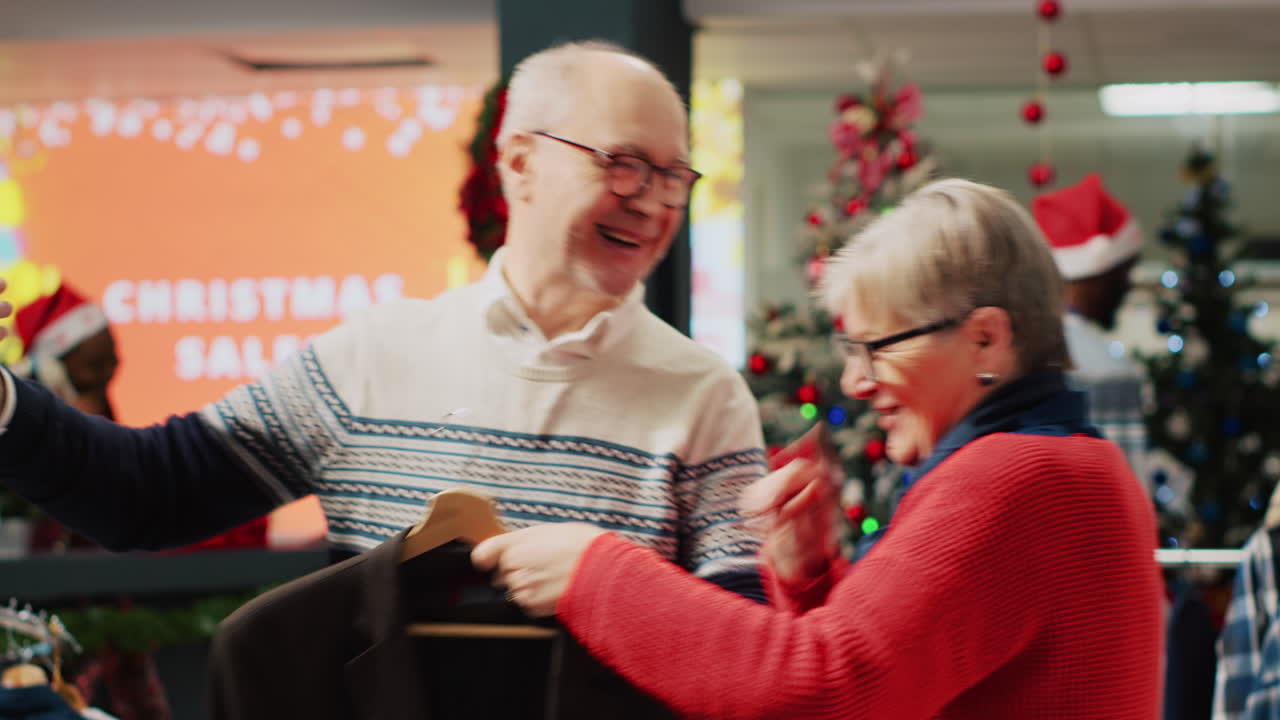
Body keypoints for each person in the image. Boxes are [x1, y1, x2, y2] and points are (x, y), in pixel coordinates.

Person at [0, 40, 766, 599]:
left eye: (673, 176)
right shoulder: (372, 357)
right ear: (520, 162)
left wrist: (612, 585)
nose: (652, 200)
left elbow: (737, 647)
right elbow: (149, 495)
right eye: (623, 163)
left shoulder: (704, 395)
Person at [473, 179, 1163, 719]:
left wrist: (597, 573)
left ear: (985, 338)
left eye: (877, 348)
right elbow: (900, 683)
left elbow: (826, 689)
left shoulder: (1013, 476)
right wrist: (807, 577)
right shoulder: (1076, 463)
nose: (858, 382)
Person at [1032, 172, 1149, 480]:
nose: (1127, 285)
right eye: (1123, 271)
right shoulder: (1107, 372)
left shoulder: (1014, 355)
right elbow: (1130, 499)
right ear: (1098, 270)